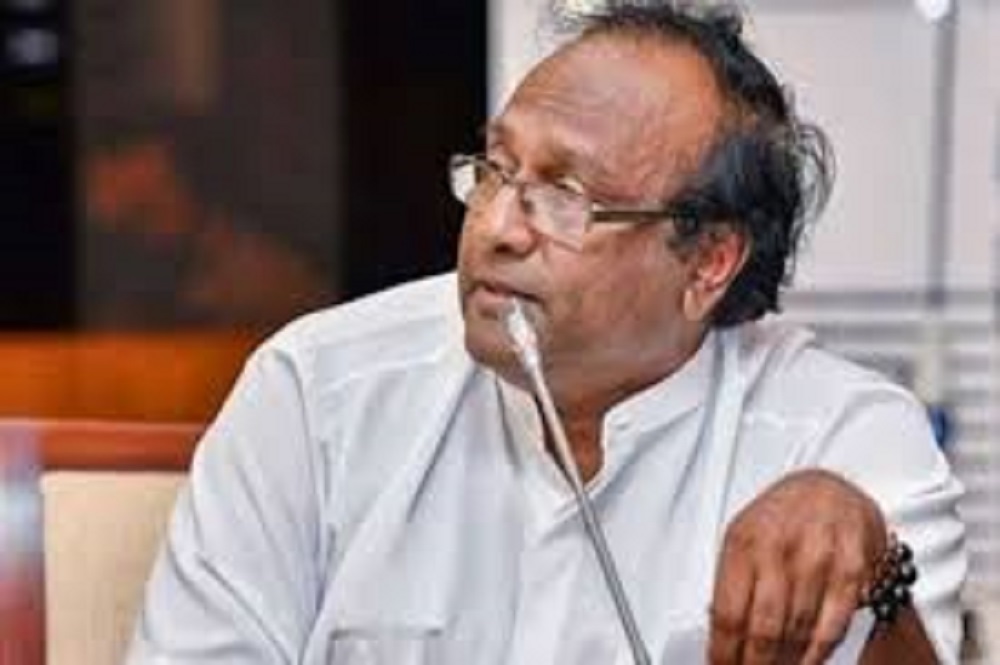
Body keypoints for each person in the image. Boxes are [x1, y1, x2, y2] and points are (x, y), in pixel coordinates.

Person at [127, 2, 966, 663]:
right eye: (496, 170)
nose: (495, 226)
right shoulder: (316, 393)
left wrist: (873, 564)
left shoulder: (840, 438)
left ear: (708, 261)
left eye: (565, 196)